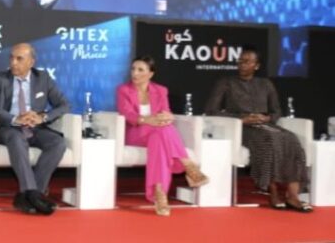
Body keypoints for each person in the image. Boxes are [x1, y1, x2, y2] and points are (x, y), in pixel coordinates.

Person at [205, 46, 313, 212]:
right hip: (241, 128)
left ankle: (293, 196)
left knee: (292, 139)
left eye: (248, 61)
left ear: (257, 66)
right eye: (240, 60)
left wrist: (267, 118)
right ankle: (273, 192)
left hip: (265, 125)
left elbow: (276, 111)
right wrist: (241, 119)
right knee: (269, 141)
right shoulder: (226, 83)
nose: (242, 64)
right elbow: (211, 110)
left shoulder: (265, 84)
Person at [0, 43, 69, 215]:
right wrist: (14, 119)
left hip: (35, 128)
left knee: (58, 143)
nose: (13, 62)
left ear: (31, 62)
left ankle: (31, 195)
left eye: (19, 59)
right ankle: (33, 194)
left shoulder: (43, 78)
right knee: (16, 138)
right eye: (11, 58)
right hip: (9, 127)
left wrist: (43, 117)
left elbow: (64, 105)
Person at [116, 56, 208, 216]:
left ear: (151, 74)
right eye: (133, 69)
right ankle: (187, 164)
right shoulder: (123, 90)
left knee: (160, 135)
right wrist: (147, 120)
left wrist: (168, 117)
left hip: (157, 134)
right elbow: (127, 114)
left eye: (140, 70)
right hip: (136, 133)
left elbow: (166, 111)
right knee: (163, 129)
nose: (135, 73)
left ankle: (160, 193)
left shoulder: (161, 90)